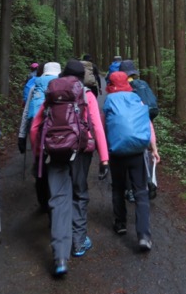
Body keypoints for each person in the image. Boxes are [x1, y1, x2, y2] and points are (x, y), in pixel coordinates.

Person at [30, 59, 109, 277]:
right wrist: (104, 158)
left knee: (57, 199)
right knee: (79, 194)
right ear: (81, 78)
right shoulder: (86, 94)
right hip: (81, 151)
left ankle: (60, 257)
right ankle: (79, 241)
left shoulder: (52, 93)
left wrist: (38, 152)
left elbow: (36, 126)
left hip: (54, 151)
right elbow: (97, 127)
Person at [103, 71, 160, 251]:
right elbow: (148, 124)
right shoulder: (137, 99)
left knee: (118, 188)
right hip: (137, 151)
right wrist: (154, 148)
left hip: (117, 152)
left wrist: (103, 155)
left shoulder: (109, 101)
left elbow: (104, 127)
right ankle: (143, 236)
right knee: (141, 191)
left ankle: (120, 224)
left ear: (110, 84)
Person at [18, 61, 62, 211]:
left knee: (40, 166)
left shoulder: (35, 86)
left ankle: (43, 203)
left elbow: (26, 113)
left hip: (37, 132)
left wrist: (21, 135)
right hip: (57, 132)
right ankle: (57, 201)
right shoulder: (62, 85)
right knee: (57, 165)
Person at [117, 59, 160, 200]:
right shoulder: (143, 84)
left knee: (133, 153)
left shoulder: (126, 87)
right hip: (147, 118)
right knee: (144, 150)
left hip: (133, 122)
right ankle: (146, 182)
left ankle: (132, 188)